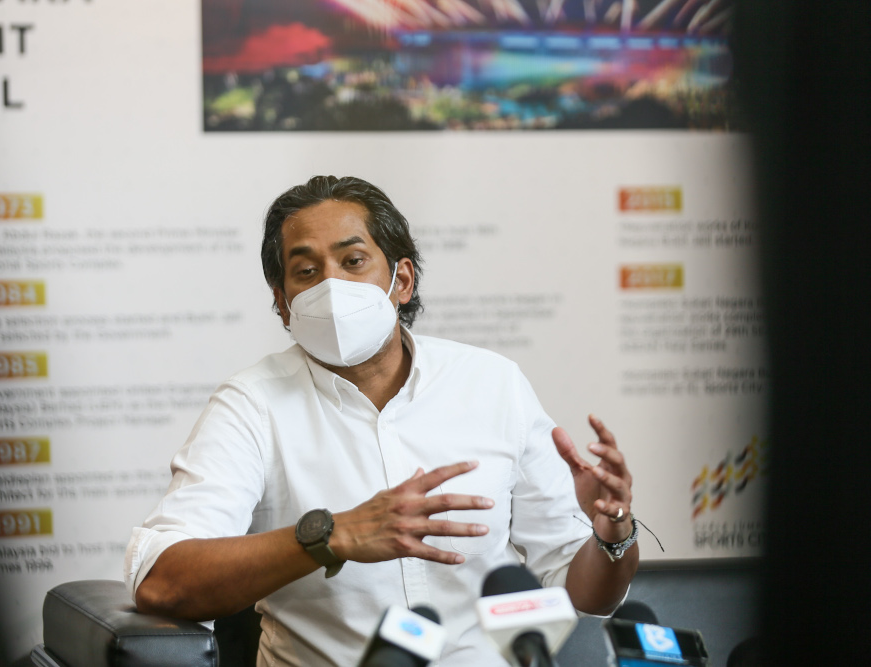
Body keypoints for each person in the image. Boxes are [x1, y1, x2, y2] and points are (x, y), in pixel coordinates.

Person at [125, 175, 639, 666]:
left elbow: (584, 594)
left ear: (402, 280)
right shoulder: (251, 405)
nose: (331, 284)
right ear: (282, 305)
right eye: (306, 271)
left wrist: (612, 535)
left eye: (353, 261)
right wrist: (330, 535)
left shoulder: (493, 384)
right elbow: (162, 580)